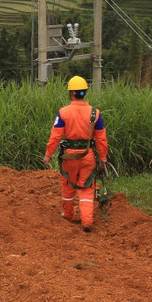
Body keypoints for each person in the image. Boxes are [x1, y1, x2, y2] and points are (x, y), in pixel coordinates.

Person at [43, 76, 108, 232]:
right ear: (84, 93)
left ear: (71, 93)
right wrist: (103, 159)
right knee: (86, 188)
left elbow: (55, 136)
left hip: (69, 157)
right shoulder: (95, 113)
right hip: (88, 156)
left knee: (68, 185)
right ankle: (87, 221)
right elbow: (101, 139)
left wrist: (48, 154)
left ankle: (68, 214)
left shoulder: (63, 112)